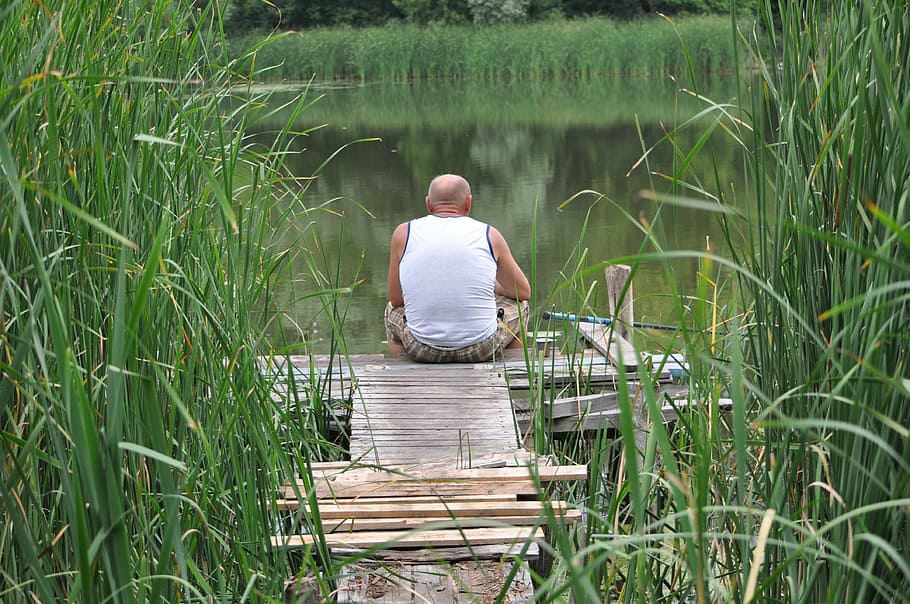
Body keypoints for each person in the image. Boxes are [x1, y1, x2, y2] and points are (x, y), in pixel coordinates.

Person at [385, 174, 531, 363]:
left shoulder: (403, 233)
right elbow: (523, 292)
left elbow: (396, 299)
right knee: (521, 307)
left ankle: (406, 372)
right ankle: (509, 372)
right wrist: (493, 285)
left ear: (429, 204)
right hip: (481, 348)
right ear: (468, 203)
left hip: (422, 349)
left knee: (391, 311)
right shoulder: (489, 234)